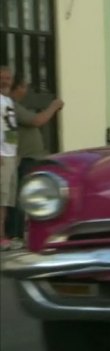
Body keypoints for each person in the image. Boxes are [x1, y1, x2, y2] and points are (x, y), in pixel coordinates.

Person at [6, 78, 64, 242]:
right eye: (24, 86)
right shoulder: (12, 106)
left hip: (30, 157)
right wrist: (54, 106)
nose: (26, 91)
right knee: (20, 198)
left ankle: (20, 234)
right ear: (17, 88)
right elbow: (37, 120)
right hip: (24, 158)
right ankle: (14, 235)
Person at [0, 66, 19, 251]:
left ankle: (5, 235)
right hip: (2, 156)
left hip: (10, 154)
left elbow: (10, 129)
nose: (6, 81)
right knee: (2, 199)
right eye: (2, 78)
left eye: (8, 78)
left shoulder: (8, 101)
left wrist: (14, 151)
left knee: (8, 200)